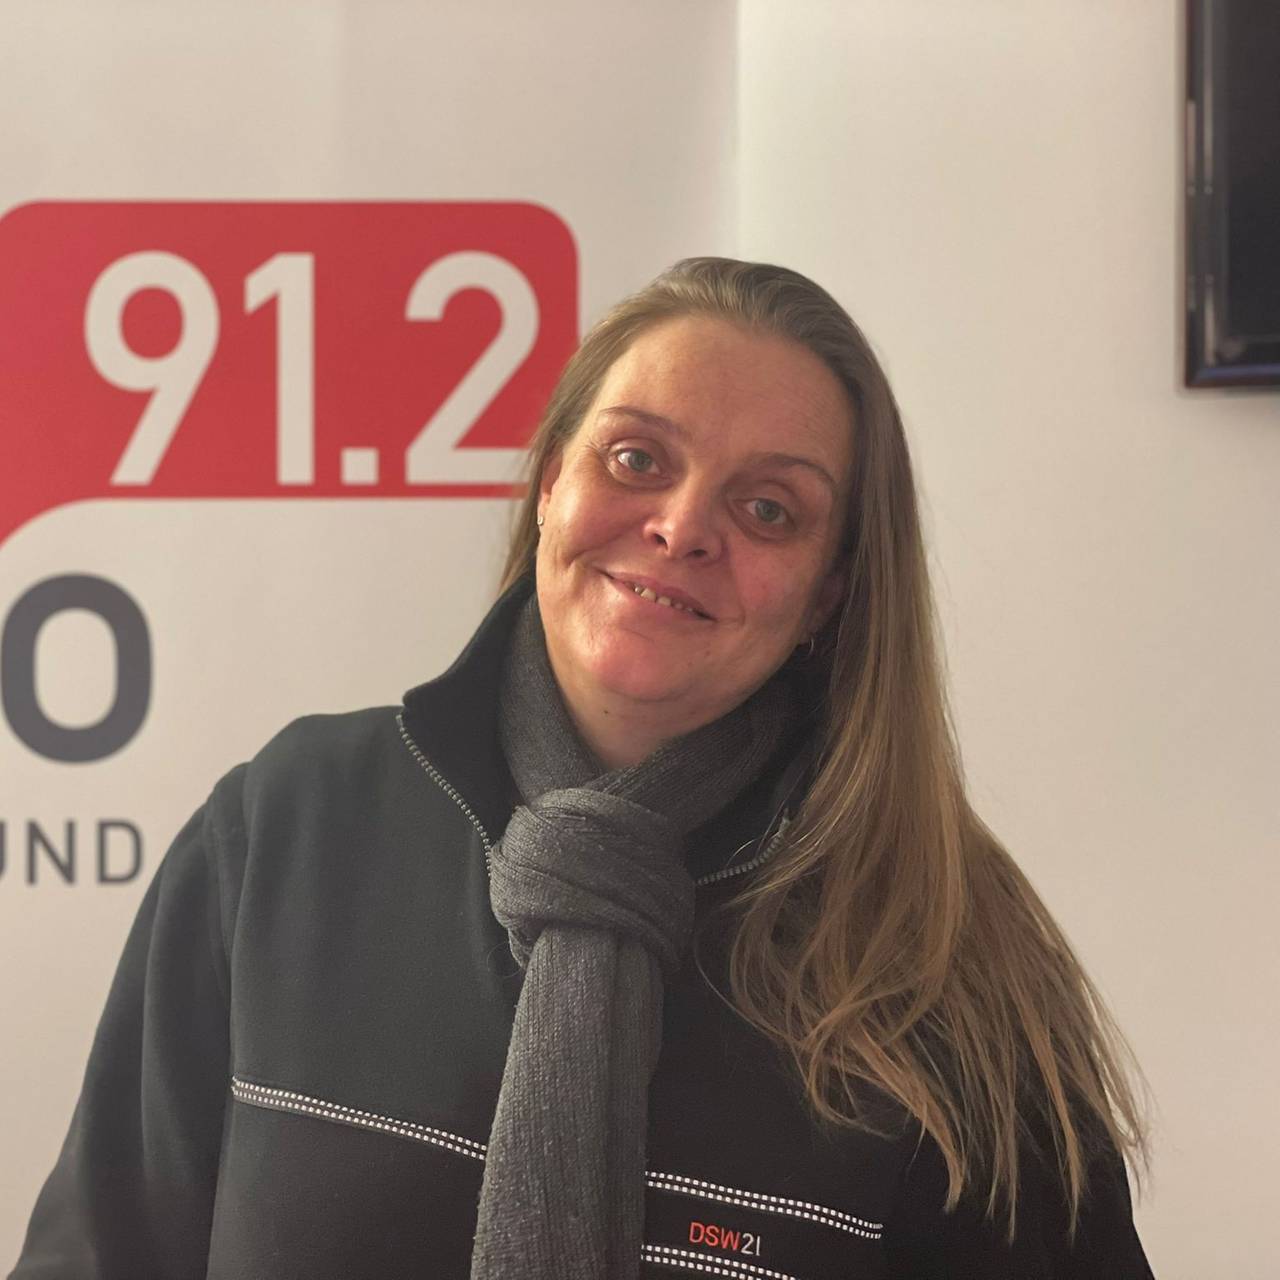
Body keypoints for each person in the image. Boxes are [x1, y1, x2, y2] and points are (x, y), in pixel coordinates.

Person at [10, 257, 1155, 1279]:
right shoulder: (288, 825)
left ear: (830, 591)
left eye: (767, 507)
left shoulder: (935, 941)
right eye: (635, 457)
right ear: (553, 478)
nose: (681, 525)